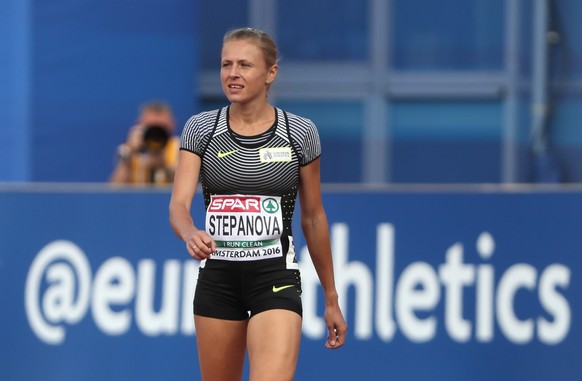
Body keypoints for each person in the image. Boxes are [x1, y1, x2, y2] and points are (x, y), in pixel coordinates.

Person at [169, 27, 347, 381]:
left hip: (275, 277)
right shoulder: (201, 129)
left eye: (245, 65)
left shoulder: (299, 133)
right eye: (226, 64)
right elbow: (178, 204)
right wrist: (190, 232)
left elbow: (313, 217)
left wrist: (331, 298)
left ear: (270, 73)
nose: (233, 73)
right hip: (218, 281)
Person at [109, 101, 179, 185]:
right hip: (137, 198)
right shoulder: (130, 148)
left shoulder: (181, 147)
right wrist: (129, 152)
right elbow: (115, 188)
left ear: (172, 125)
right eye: (151, 128)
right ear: (139, 124)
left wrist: (164, 166)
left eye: (160, 128)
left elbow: (186, 185)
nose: (155, 134)